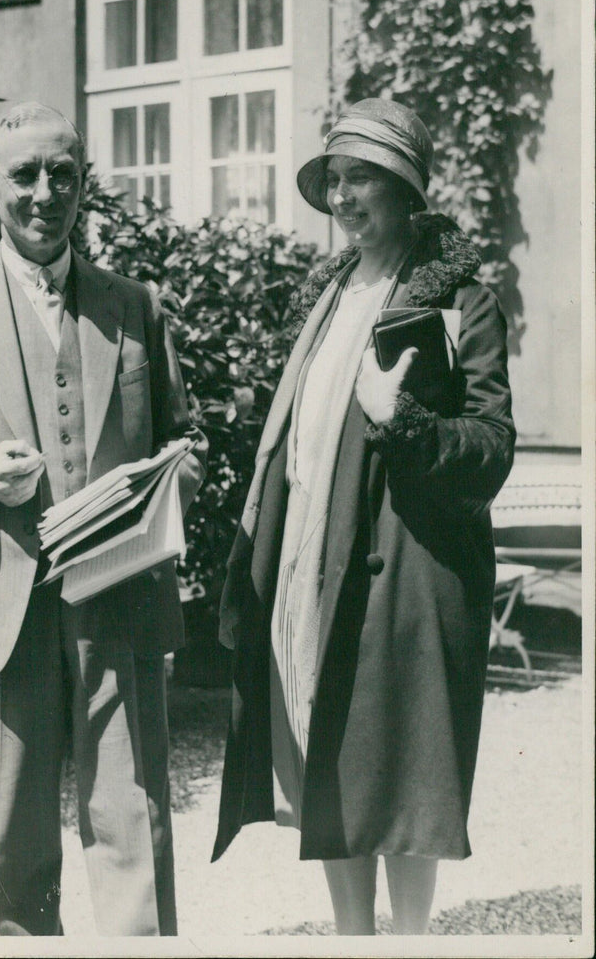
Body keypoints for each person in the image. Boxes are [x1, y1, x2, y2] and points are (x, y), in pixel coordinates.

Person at [0, 102, 207, 937]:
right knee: (15, 844)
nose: (46, 193)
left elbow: (187, 443)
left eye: (64, 173)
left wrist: (161, 489)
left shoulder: (136, 305)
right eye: (24, 174)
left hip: (117, 600)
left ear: (84, 184)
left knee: (135, 824)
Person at [211, 98, 515, 934]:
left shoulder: (461, 302)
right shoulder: (328, 295)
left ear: (408, 189)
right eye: (335, 179)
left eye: (364, 179)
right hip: (313, 556)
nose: (344, 198)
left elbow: (492, 448)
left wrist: (404, 422)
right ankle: (353, 940)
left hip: (407, 568)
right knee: (324, 753)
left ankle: (409, 943)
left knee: (406, 768)